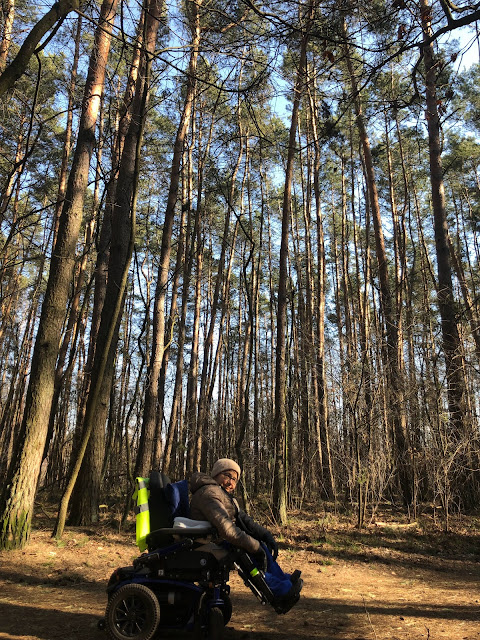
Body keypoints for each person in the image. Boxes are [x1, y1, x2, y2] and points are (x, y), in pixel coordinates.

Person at [189, 458, 302, 607]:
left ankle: (282, 581)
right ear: (216, 474)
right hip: (206, 541)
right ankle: (277, 590)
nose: (231, 483)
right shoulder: (209, 493)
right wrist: (254, 546)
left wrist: (265, 535)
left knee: (260, 545)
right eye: (227, 476)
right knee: (245, 551)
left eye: (235, 479)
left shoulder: (223, 495)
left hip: (217, 539)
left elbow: (243, 519)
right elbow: (226, 529)